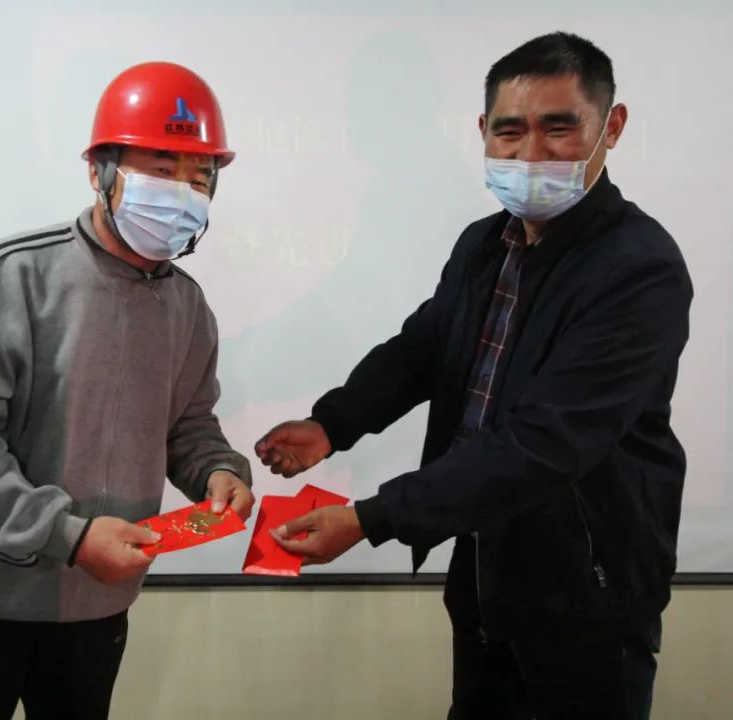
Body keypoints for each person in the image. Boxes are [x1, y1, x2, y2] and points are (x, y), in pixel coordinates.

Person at [255, 32, 691, 720]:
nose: (530, 154)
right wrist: (331, 424)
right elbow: (425, 349)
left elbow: (544, 442)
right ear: (483, 130)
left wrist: (371, 518)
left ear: (611, 127)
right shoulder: (485, 244)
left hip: (589, 596)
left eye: (558, 128)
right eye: (510, 131)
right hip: (487, 572)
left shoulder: (639, 269)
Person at [0, 62, 254, 720]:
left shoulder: (187, 307)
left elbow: (188, 427)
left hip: (91, 611)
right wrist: (69, 536)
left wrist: (218, 471)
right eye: (161, 169)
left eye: (199, 178)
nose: (182, 194)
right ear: (99, 172)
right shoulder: (12, 277)